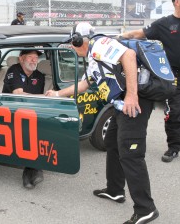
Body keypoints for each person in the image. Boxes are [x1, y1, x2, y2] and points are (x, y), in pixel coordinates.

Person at [45, 22, 159, 223]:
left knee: (130, 154)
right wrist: (56, 94)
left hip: (132, 102)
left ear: (79, 40)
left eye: (72, 43)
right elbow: (83, 85)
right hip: (120, 104)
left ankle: (145, 208)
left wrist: (132, 96)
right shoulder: (92, 58)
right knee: (112, 143)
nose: (71, 47)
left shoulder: (99, 44)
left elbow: (129, 56)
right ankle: (115, 190)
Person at [121, 0, 180, 163]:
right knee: (174, 112)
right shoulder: (164, 24)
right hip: (172, 75)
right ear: (177, 2)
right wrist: (118, 38)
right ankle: (174, 147)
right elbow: (138, 34)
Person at [2, 49, 45, 189]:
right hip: (10, 111)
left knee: (33, 132)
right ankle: (33, 171)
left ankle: (29, 173)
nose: (34, 60)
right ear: (21, 59)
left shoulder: (40, 76)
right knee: (28, 133)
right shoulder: (13, 71)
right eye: (30, 57)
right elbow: (18, 94)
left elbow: (37, 101)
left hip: (31, 113)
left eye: (36, 58)